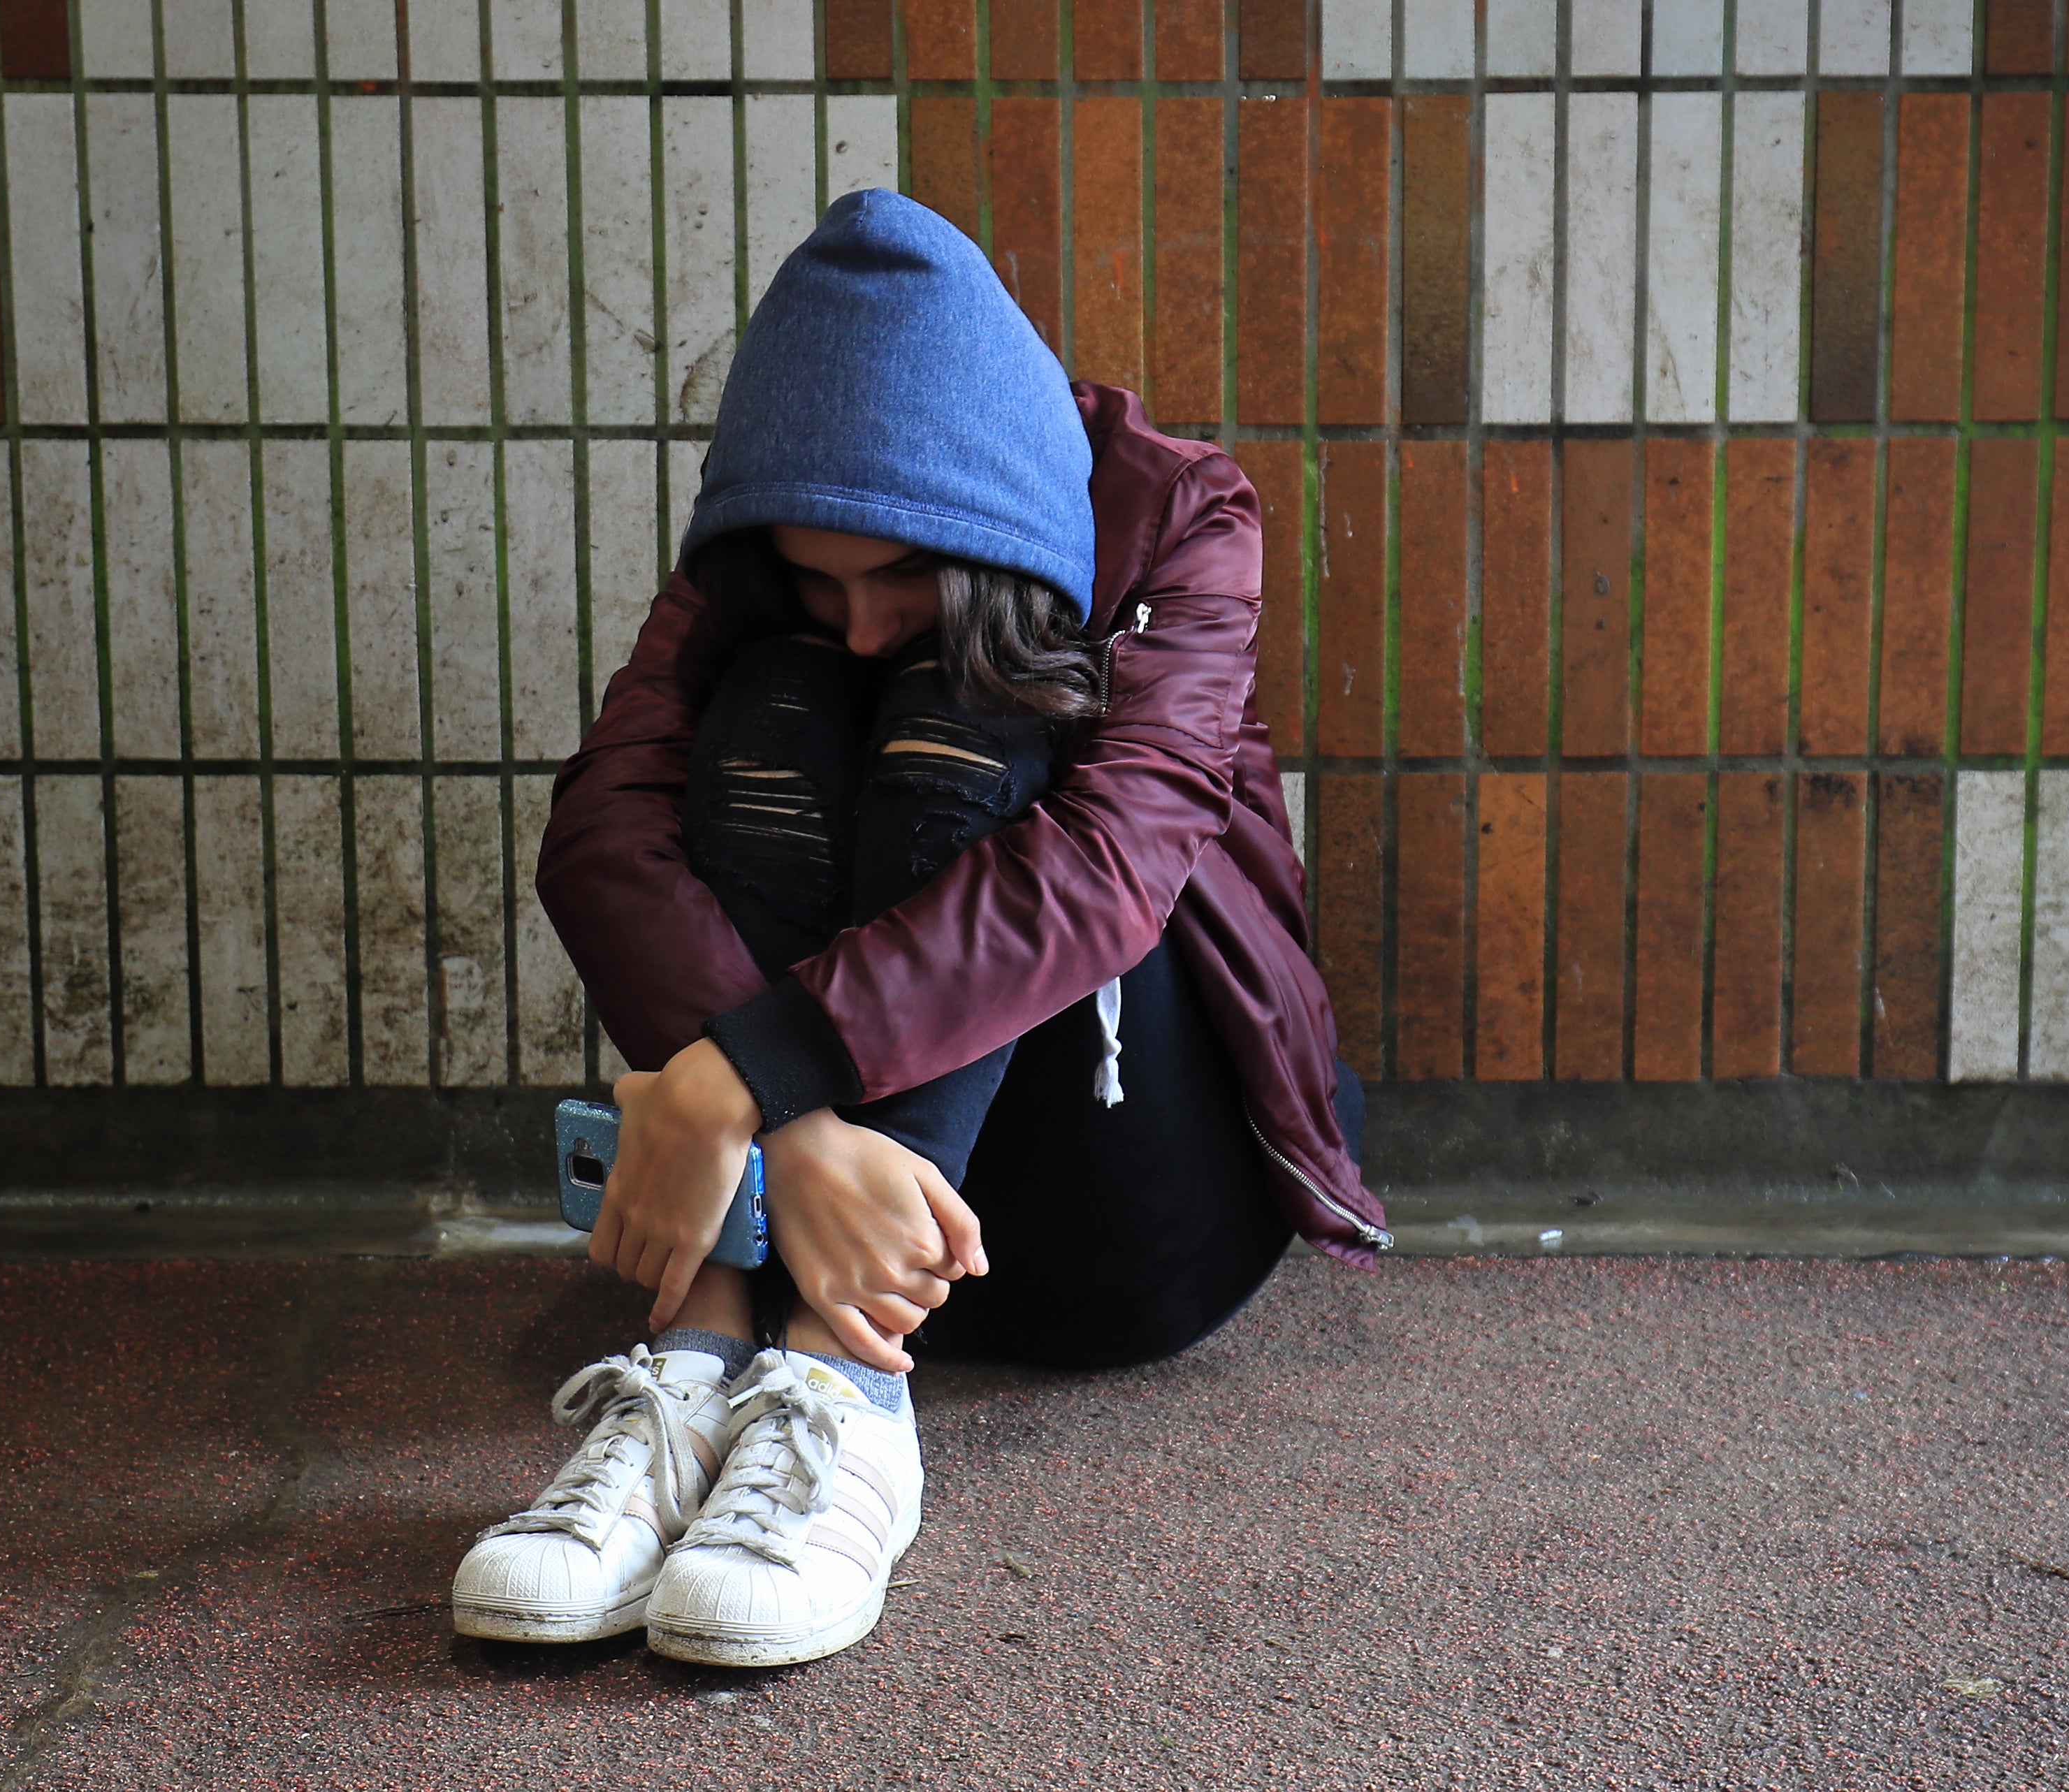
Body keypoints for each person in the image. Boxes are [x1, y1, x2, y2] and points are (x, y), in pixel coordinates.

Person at [450, 189, 1388, 1668]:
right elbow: (605, 824)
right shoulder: (768, 519)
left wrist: (729, 1077)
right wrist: (791, 1124)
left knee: (982, 685)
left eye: (898, 573)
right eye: (822, 580)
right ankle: (698, 1362)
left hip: (1127, 1197)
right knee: (774, 695)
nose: (865, 617)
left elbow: (1112, 856)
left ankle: (845, 1391)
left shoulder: (1175, 509)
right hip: (816, 1209)